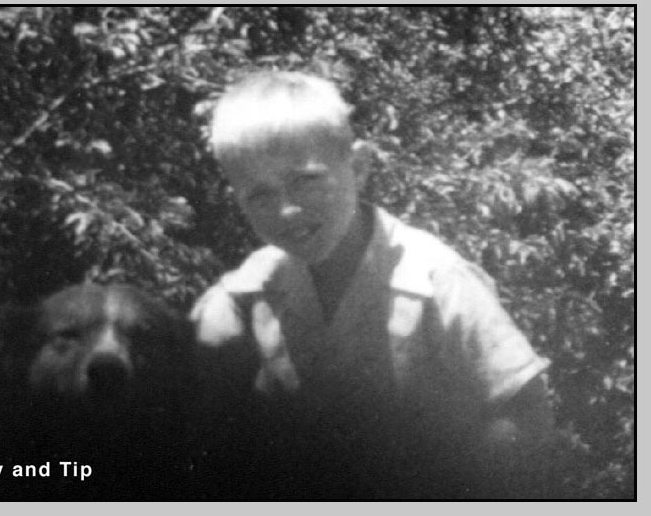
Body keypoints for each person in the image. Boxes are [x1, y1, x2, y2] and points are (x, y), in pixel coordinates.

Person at [189, 71, 558, 499]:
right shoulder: (251, 290)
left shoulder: (434, 280)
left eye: (305, 180)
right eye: (260, 195)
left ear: (359, 166)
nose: (287, 210)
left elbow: (524, 408)